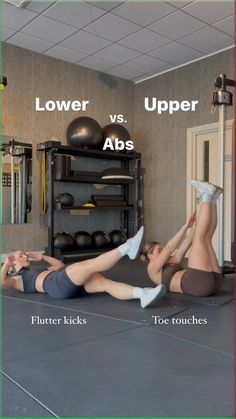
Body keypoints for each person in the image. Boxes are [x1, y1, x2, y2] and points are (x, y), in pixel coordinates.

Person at [1, 227, 166, 309]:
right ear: (14, 264)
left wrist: (42, 257)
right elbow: (2, 283)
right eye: (20, 255)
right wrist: (6, 264)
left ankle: (142, 294)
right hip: (56, 285)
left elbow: (59, 265)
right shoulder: (18, 279)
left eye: (24, 253)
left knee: (104, 283)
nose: (25, 256)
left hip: (59, 284)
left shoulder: (36, 272)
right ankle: (127, 247)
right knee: (89, 265)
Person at [140, 180, 224, 297]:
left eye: (162, 249)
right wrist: (185, 227)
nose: (163, 251)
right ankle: (207, 195)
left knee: (205, 238)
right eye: (159, 250)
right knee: (200, 239)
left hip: (211, 283)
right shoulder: (152, 268)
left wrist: (196, 213)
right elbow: (170, 247)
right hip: (199, 284)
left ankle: (212, 198)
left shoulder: (171, 260)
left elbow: (188, 240)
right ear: (149, 255)